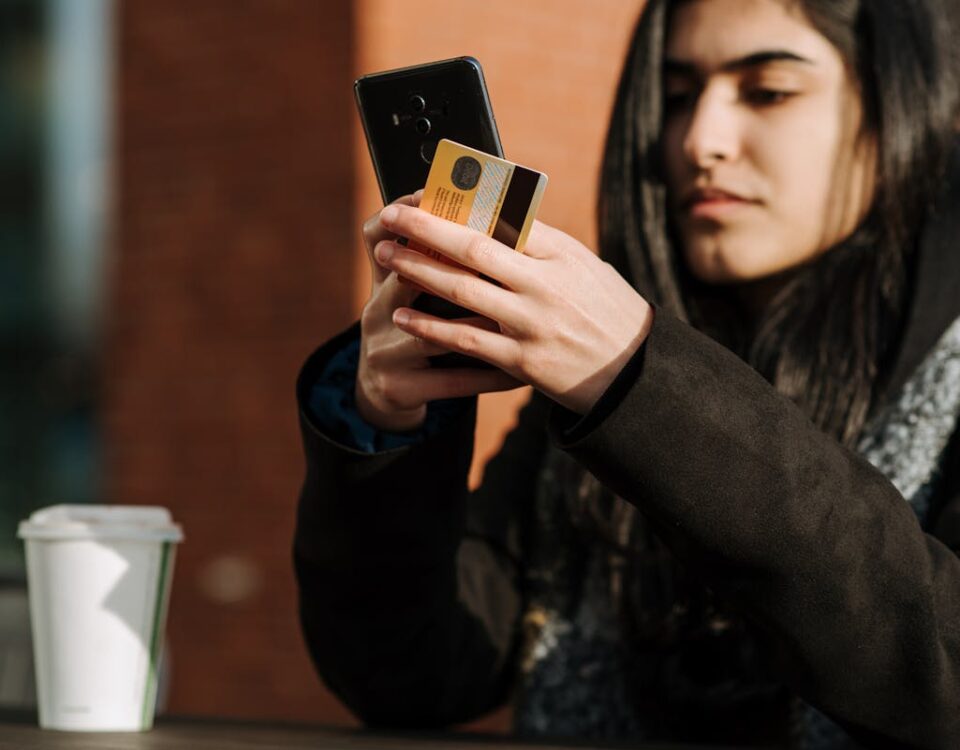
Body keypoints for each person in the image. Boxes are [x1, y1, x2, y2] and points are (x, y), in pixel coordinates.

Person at [293, 0, 960, 746]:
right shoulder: (588, 381)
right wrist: (386, 424)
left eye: (768, 91)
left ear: (899, 105)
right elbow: (411, 677)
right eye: (675, 97)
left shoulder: (618, 369)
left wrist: (641, 377)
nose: (700, 140)